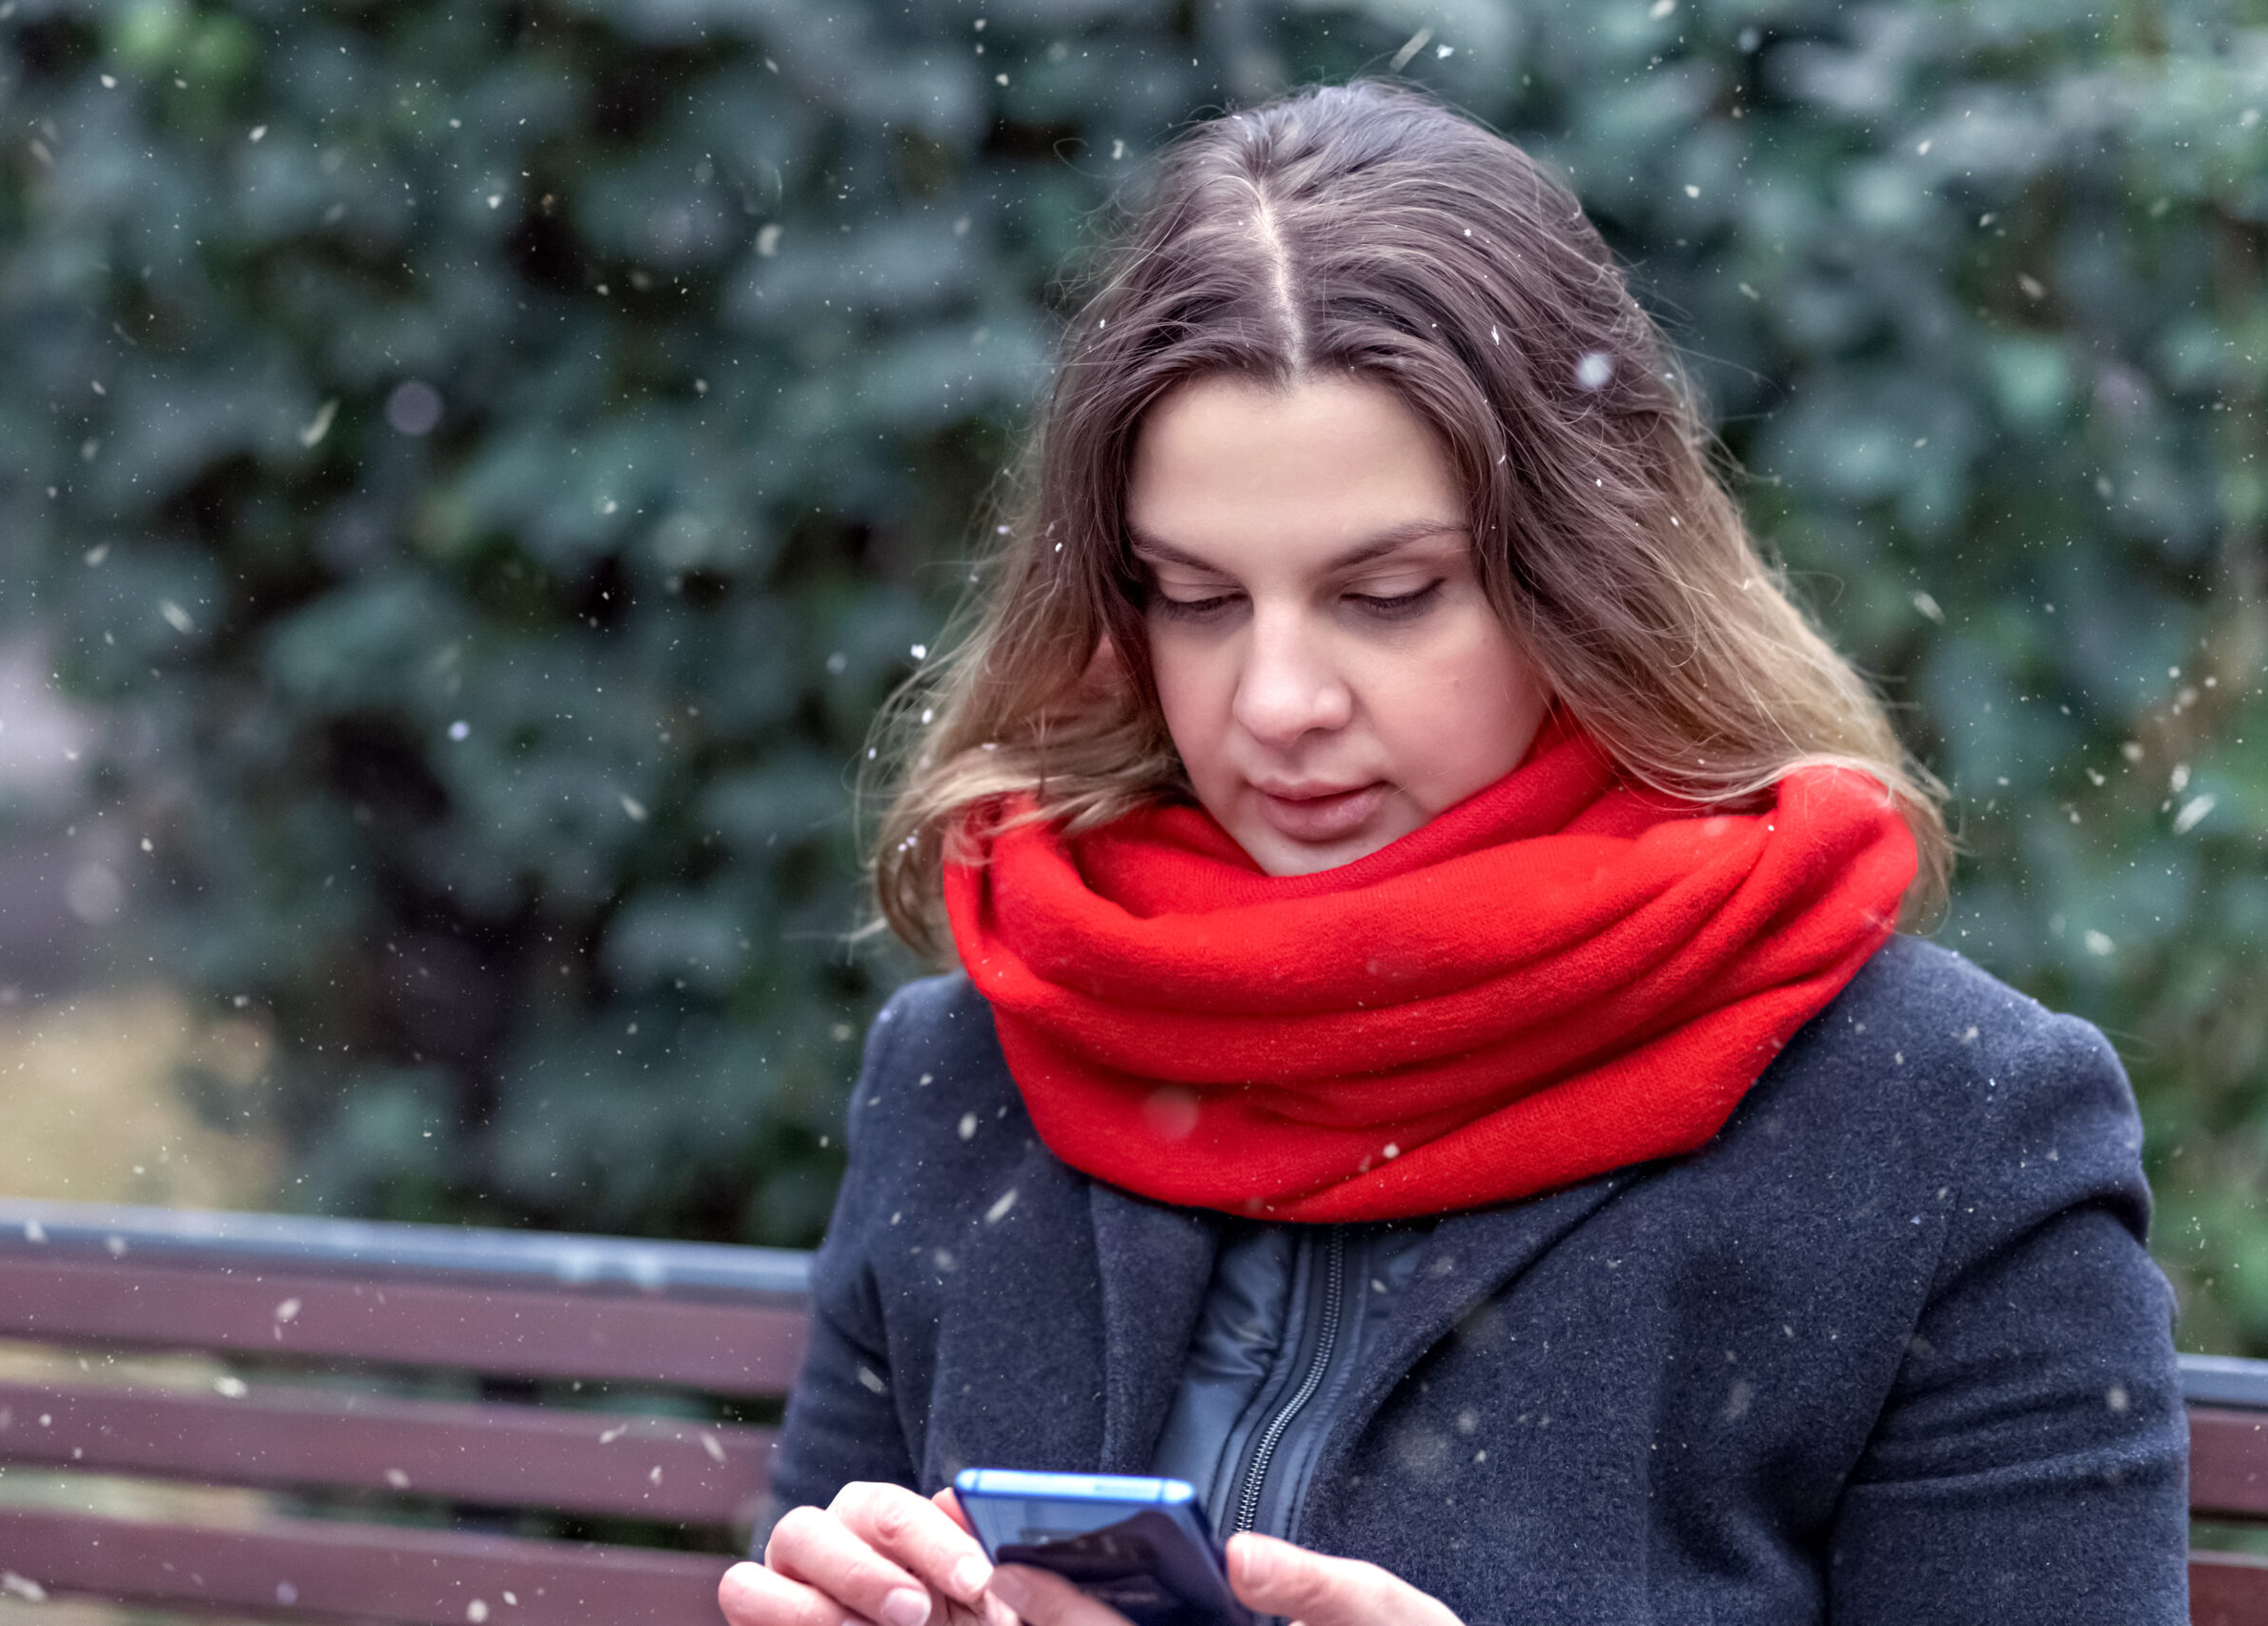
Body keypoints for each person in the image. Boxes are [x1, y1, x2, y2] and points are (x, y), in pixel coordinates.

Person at [718, 80, 2187, 1626]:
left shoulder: (1951, 1131)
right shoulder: (972, 1069)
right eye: (1197, 597)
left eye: (1390, 593)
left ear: (1586, 577)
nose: (1276, 701)